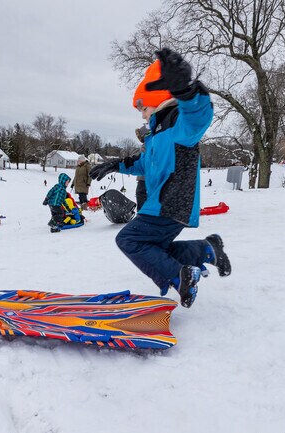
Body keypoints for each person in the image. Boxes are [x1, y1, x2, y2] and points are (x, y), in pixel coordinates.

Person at [89, 48, 231, 308]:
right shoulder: (157, 133)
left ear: (157, 98)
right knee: (155, 251)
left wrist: (187, 91)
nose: (141, 113)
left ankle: (180, 277)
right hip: (163, 203)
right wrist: (115, 165)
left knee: (129, 239)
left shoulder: (180, 123)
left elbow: (200, 116)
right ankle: (207, 249)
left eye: (142, 106)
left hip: (172, 202)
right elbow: (144, 164)